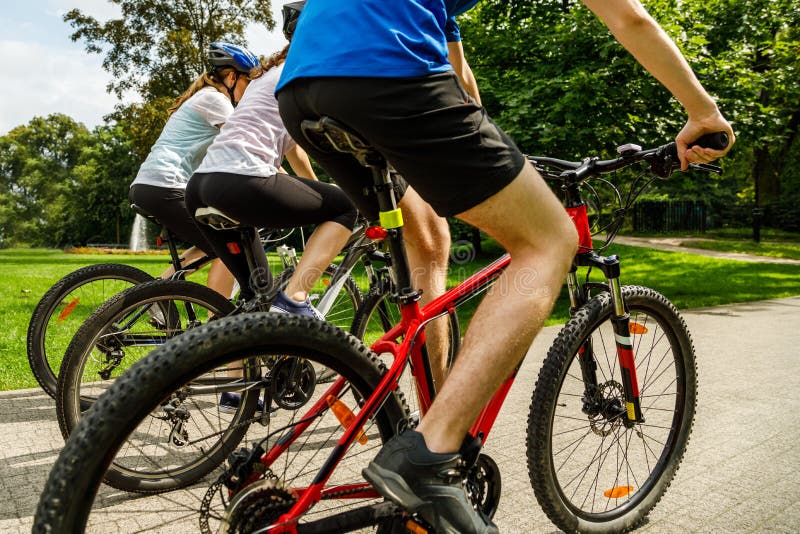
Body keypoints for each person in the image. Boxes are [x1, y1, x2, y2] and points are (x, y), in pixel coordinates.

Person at [275, 0, 735, 532]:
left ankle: (426, 422)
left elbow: (461, 77)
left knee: (429, 250)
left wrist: (494, 145)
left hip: (303, 87)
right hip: (387, 72)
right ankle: (429, 455)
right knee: (548, 241)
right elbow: (628, 17)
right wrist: (703, 113)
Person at [184, 9, 358, 320]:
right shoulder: (307, 72)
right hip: (241, 179)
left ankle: (234, 368)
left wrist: (315, 184)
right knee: (346, 205)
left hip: (201, 186)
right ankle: (296, 298)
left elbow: (296, 151)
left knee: (254, 299)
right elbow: (336, 136)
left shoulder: (268, 77)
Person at [129, 42, 258, 298]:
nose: (250, 90)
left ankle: (154, 297)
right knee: (231, 246)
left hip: (153, 185)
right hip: (165, 184)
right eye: (248, 82)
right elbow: (245, 146)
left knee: (213, 243)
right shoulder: (215, 99)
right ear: (232, 77)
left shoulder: (205, 98)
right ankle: (220, 320)